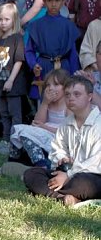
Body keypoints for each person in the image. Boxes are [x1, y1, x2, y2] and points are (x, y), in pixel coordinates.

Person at [23, 76, 101, 206]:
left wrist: (67, 176)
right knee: (31, 174)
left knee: (82, 183)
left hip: (92, 176)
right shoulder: (66, 123)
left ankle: (52, 192)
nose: (71, 98)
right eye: (67, 94)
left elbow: (95, 162)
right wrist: (62, 158)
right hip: (68, 172)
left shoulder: (98, 124)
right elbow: (57, 148)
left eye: (77, 94)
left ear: (89, 97)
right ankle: (64, 198)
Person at [0, 69, 69, 176]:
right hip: (44, 133)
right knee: (17, 129)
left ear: (66, 87)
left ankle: (40, 165)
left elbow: (68, 131)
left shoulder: (68, 105)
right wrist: (45, 103)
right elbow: (38, 122)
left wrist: (45, 127)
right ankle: (12, 163)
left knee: (24, 133)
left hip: (57, 138)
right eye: (48, 85)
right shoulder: (48, 103)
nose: (51, 88)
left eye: (56, 85)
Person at [25, 0, 80, 99]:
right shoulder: (36, 25)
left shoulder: (68, 25)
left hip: (64, 68)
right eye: (50, 0)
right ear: (44, 1)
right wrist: (33, 64)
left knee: (64, 102)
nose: (54, 4)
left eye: (57, 0)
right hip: (43, 67)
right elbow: (29, 50)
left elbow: (73, 54)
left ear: (63, 1)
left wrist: (75, 76)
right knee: (44, 102)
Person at [0, 2, 26, 155]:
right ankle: (5, 140)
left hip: (14, 84)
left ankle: (15, 143)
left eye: (7, 19)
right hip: (0, 82)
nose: (3, 23)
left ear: (14, 20)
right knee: (3, 113)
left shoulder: (17, 38)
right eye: (0, 19)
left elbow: (18, 60)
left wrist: (11, 80)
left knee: (14, 114)